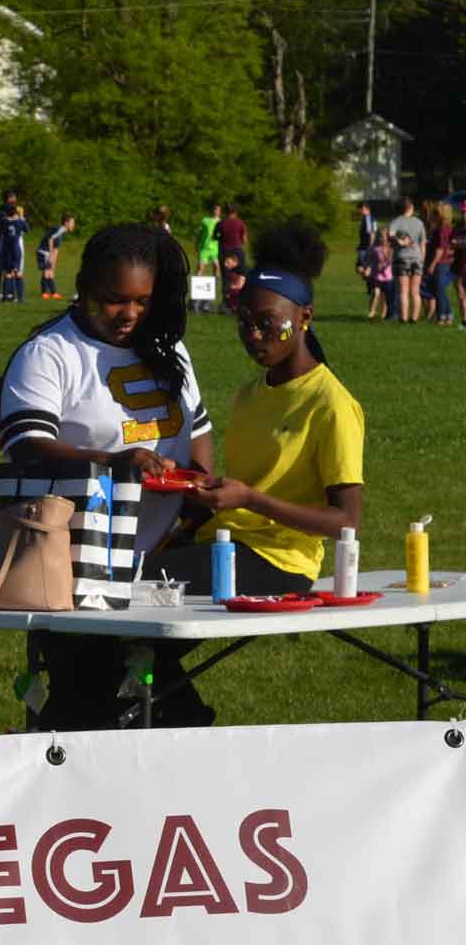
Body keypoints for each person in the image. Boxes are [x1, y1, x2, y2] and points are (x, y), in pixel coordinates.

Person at [0, 223, 213, 730]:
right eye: (115, 300)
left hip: (162, 564)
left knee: (159, 711)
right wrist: (115, 461)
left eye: (142, 300)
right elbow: (25, 444)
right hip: (75, 570)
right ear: (84, 286)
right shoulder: (50, 353)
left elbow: (198, 427)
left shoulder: (167, 347)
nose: (130, 314)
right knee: (90, 714)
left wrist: (199, 484)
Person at [144, 224, 363, 723]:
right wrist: (197, 494)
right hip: (227, 546)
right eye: (244, 322)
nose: (254, 335)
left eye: (268, 323)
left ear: (305, 317)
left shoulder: (331, 404)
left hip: (280, 563)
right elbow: (240, 491)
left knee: (132, 599)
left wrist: (250, 500)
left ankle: (184, 723)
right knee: (125, 619)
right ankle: (155, 722)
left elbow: (347, 521)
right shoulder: (249, 394)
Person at [386, 197, 426, 325]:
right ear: (411, 207)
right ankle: (414, 319)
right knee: (415, 291)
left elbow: (390, 236)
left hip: (401, 258)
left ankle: (403, 318)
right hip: (417, 259)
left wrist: (400, 242)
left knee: (403, 291)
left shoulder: (396, 222)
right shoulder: (419, 223)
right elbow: (423, 243)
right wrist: (422, 260)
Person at [0, 200, 29, 303]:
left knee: (8, 274)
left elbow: (0, 227)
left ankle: (5, 298)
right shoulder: (20, 222)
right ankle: (20, 299)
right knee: (18, 273)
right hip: (16, 249)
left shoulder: (3, 221)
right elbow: (27, 229)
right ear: (16, 213)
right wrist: (21, 218)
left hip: (6, 249)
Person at [427, 201, 454, 326]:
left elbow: (440, 249)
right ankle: (448, 315)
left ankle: (442, 316)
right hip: (445, 262)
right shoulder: (447, 228)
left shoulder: (442, 230)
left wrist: (432, 264)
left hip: (441, 263)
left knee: (439, 290)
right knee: (440, 289)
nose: (432, 216)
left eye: (434, 214)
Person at [38, 213, 74, 300]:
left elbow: (56, 248)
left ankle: (53, 293)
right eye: (72, 222)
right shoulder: (60, 229)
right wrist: (50, 254)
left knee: (50, 272)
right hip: (44, 252)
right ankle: (45, 293)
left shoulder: (62, 232)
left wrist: (53, 261)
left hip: (47, 252)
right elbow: (50, 238)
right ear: (66, 223)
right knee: (47, 272)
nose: (73, 225)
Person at [215, 204, 248, 288]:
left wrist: (222, 239)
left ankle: (226, 296)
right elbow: (244, 240)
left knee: (226, 276)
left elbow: (215, 237)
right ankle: (238, 295)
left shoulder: (220, 223)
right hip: (237, 251)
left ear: (226, 212)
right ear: (235, 212)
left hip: (224, 251)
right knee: (241, 273)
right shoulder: (241, 223)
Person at [366, 234, 395, 320]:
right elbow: (370, 259)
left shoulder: (391, 249)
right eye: (381, 237)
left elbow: (390, 260)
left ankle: (383, 314)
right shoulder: (375, 249)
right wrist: (368, 268)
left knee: (385, 296)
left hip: (388, 277)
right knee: (375, 292)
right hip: (377, 276)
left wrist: (383, 265)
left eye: (384, 237)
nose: (382, 239)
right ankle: (372, 312)